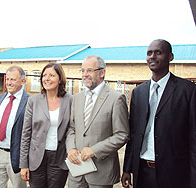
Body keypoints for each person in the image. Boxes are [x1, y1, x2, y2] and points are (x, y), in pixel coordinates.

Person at [121, 39, 196, 188]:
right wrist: (127, 168)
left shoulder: (187, 91)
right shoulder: (138, 92)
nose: (152, 57)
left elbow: (193, 138)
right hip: (142, 171)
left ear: (170, 57)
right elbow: (134, 134)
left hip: (175, 173)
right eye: (149, 53)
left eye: (158, 53)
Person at [66, 55, 129, 188]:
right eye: (82, 71)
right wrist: (71, 148)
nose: (84, 75)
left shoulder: (116, 99)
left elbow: (122, 135)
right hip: (77, 172)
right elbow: (72, 128)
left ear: (102, 72)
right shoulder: (76, 98)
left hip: (101, 174)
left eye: (89, 70)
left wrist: (95, 150)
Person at [20, 63, 72, 188]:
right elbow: (26, 133)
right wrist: (24, 164)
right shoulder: (33, 101)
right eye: (44, 75)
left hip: (59, 158)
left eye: (52, 75)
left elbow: (72, 128)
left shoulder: (70, 100)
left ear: (60, 79)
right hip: (36, 157)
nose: (47, 79)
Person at [0, 66, 29, 188]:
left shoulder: (30, 102)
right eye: (7, 79)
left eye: (13, 79)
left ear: (22, 81)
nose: (8, 83)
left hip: (17, 156)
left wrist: (26, 162)